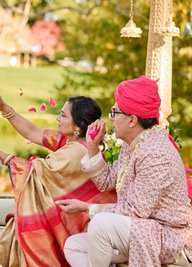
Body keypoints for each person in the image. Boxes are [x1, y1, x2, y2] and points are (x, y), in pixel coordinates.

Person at [0, 83, 116, 267]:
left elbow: (35, 172)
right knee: (16, 229)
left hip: (80, 225)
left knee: (19, 233)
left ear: (78, 126)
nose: (58, 118)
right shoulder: (73, 141)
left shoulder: (76, 152)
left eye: (64, 115)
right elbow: (34, 132)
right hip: (76, 219)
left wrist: (1, 155)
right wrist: (2, 107)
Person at [56, 76, 192, 267]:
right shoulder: (133, 144)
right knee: (74, 245)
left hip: (168, 237)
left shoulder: (156, 153)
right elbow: (107, 181)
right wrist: (92, 147)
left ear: (132, 120)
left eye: (114, 112)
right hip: (141, 230)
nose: (110, 118)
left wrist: (87, 207)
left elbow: (135, 211)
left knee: (101, 224)